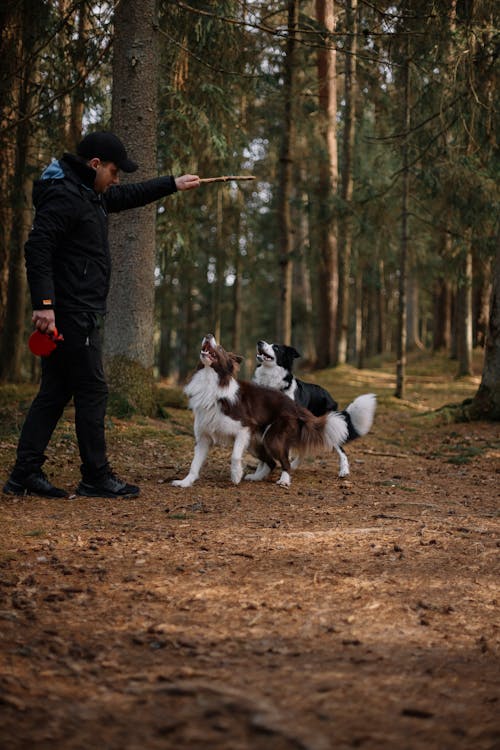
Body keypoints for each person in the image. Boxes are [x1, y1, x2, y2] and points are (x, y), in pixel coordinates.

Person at [3, 131, 200, 499]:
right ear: (94, 165)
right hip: (72, 312)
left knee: (55, 392)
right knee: (92, 390)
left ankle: (23, 474)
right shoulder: (65, 195)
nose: (116, 178)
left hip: (75, 310)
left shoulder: (87, 193)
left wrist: (172, 184)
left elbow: (126, 195)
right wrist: (44, 306)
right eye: (113, 171)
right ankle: (95, 475)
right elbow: (38, 248)